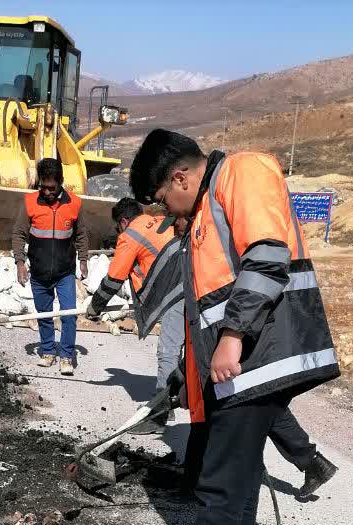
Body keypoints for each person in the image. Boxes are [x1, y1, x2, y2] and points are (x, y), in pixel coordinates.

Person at [127, 129, 341, 525]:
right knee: (239, 481)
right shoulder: (204, 210)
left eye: (164, 198)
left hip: (257, 356)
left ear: (179, 176)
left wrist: (232, 339)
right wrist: (188, 371)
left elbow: (268, 257)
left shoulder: (241, 173)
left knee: (219, 482)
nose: (168, 211)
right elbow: (208, 307)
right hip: (244, 359)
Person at [91, 201, 337, 492]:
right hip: (216, 326)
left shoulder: (203, 240)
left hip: (226, 325)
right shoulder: (187, 239)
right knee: (244, 398)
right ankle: (307, 461)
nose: (174, 227)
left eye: (178, 220)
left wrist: (216, 348)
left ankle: (196, 473)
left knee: (238, 396)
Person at [88, 197, 189, 460]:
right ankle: (178, 397)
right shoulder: (160, 222)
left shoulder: (130, 235)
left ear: (122, 221)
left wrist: (95, 306)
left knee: (168, 352)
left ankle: (159, 413)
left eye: (118, 227)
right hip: (196, 287)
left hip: (175, 294)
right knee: (190, 350)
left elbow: (114, 278)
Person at [13, 157, 88, 376]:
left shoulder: (75, 204)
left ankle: (66, 355)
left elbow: (82, 234)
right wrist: (20, 262)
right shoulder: (29, 203)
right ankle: (47, 351)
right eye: (43, 188)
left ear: (61, 182)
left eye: (51, 188)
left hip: (65, 272)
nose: (47, 192)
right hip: (38, 272)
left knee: (68, 315)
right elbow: (18, 233)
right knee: (44, 314)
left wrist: (83, 260)